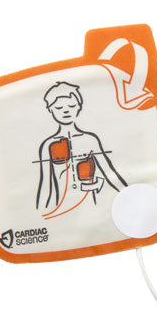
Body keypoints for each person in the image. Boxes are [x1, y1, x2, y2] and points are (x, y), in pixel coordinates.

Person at [35, 81, 127, 213]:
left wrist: (129, 195)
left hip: (92, 209)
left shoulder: (90, 139)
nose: (66, 110)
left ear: (79, 107)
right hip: (61, 209)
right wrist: (38, 215)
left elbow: (110, 173)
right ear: (50, 109)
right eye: (59, 108)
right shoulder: (48, 145)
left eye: (71, 106)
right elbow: (45, 185)